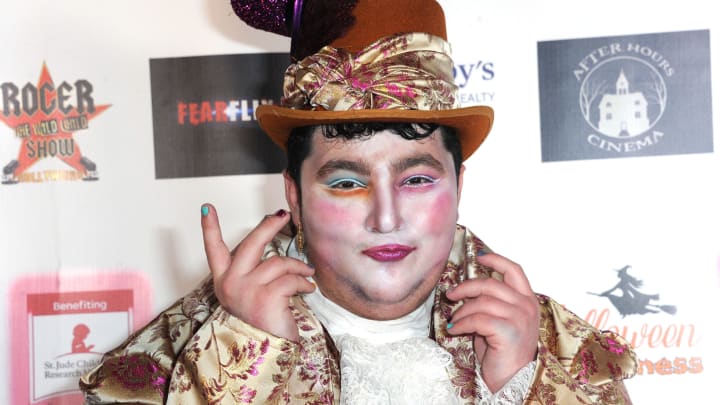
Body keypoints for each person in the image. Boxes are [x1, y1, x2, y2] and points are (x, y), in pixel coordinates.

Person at [80, 0, 637, 403]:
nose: (387, 218)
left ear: (459, 187)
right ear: (293, 196)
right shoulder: (186, 355)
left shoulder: (548, 349)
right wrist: (246, 366)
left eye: (417, 180)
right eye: (347, 183)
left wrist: (520, 387)